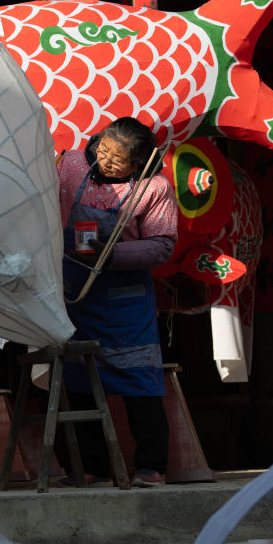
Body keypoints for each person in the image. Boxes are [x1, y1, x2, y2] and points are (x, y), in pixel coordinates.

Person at [57, 117, 177, 488]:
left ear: (138, 164)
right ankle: (88, 465)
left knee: (140, 380)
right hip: (76, 293)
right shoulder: (73, 163)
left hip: (126, 300)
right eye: (103, 149)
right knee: (77, 381)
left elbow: (162, 245)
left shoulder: (154, 188)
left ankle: (150, 466)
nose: (104, 160)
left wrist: (108, 256)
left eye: (116, 158)